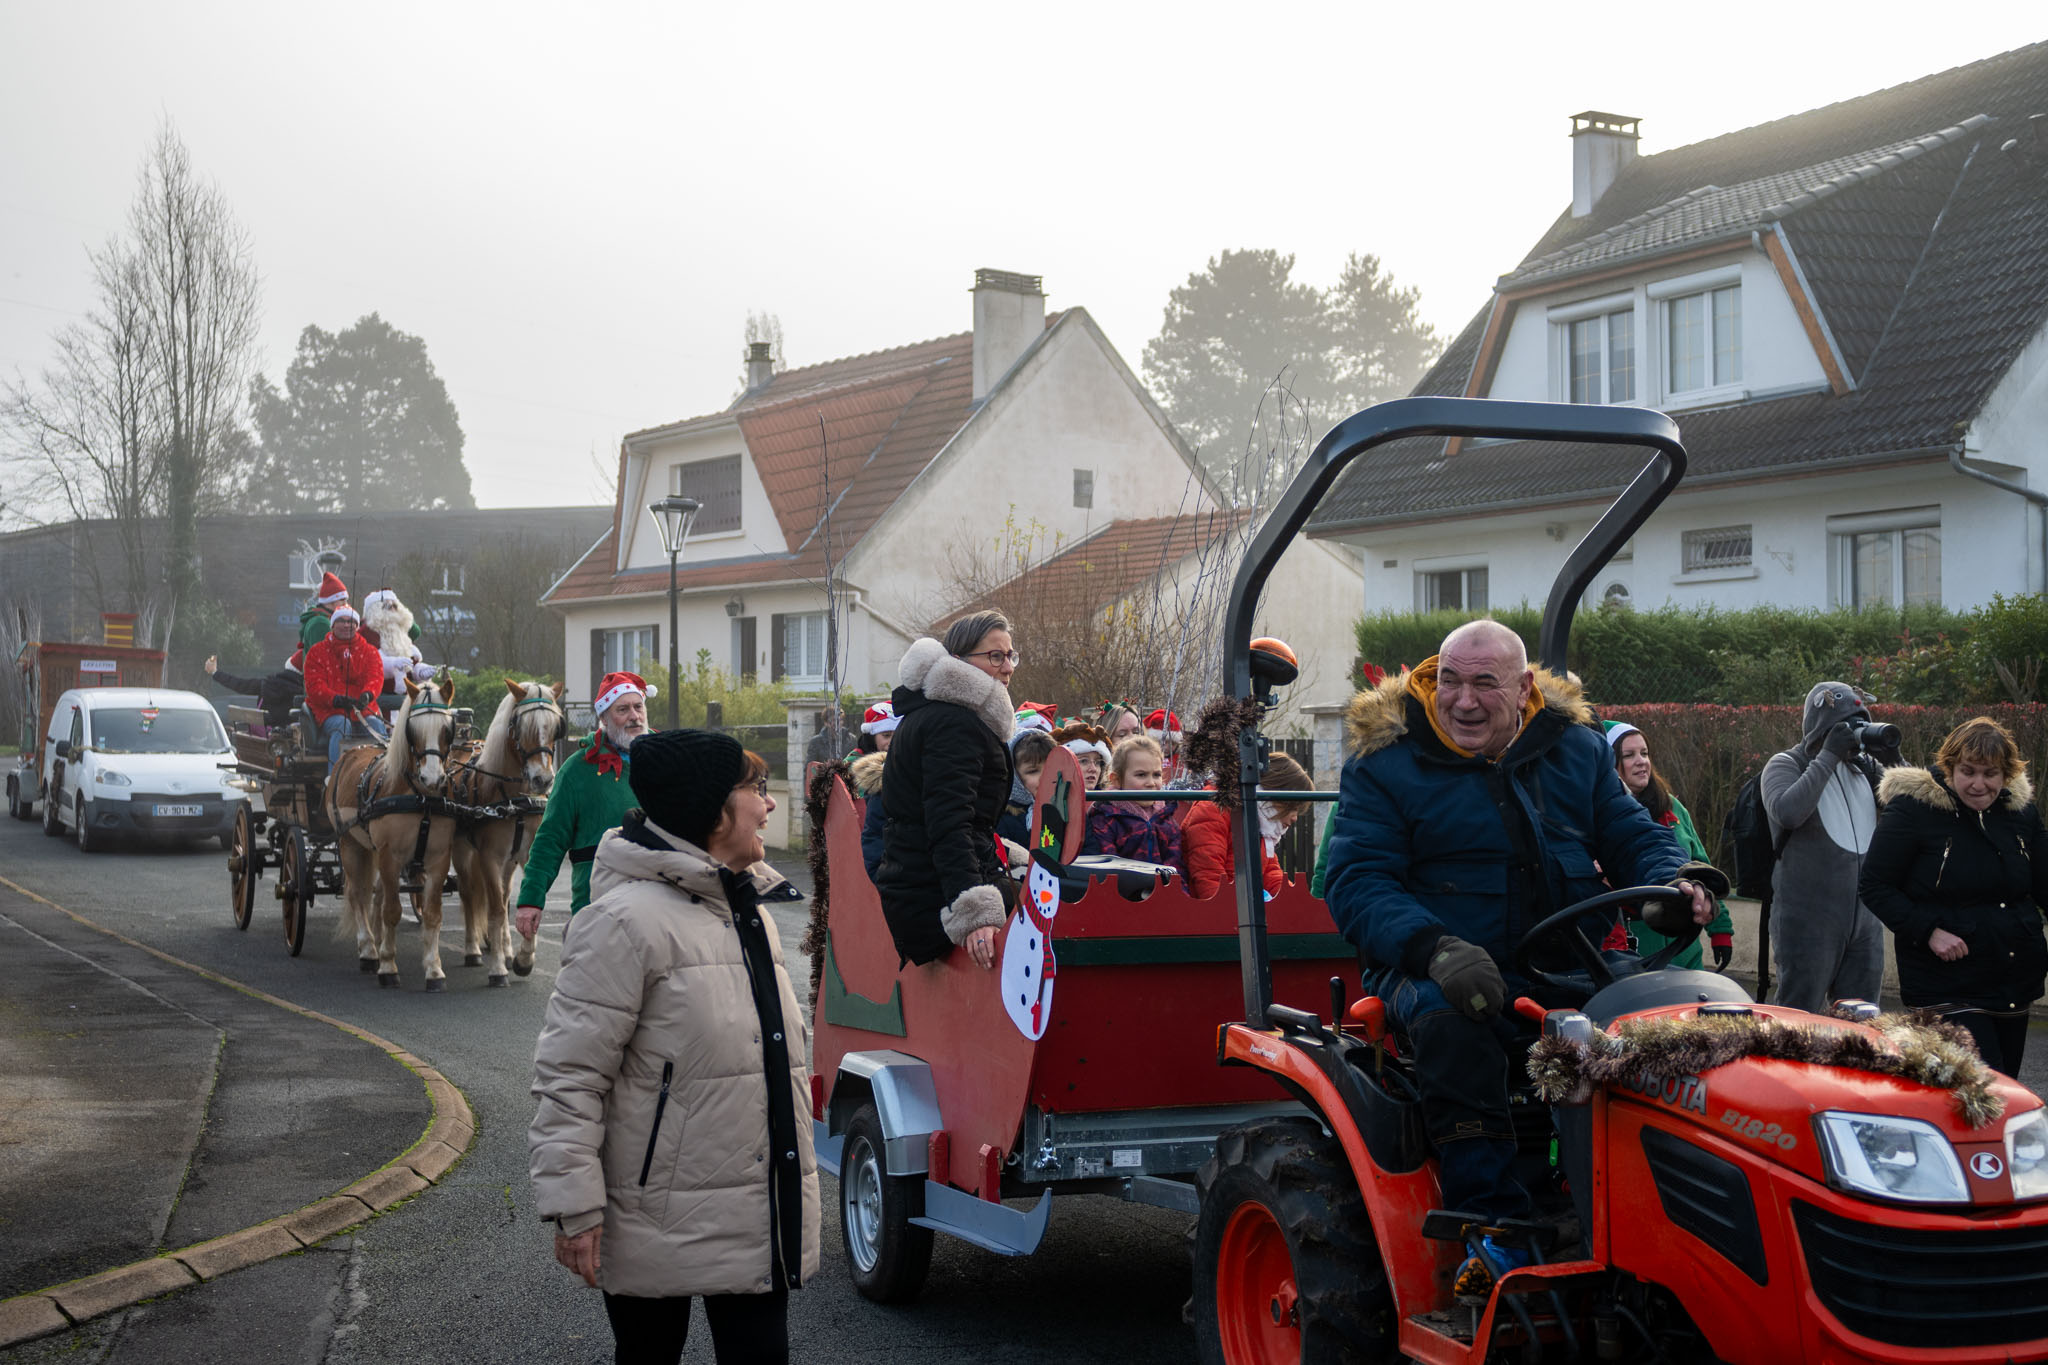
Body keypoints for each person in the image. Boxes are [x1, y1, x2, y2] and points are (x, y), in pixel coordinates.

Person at [1324, 619, 1710, 1293]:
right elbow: (1356, 880)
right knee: (1456, 1020)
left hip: (1563, 959)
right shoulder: (1386, 762)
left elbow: (1630, 835)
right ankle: (1494, 1224)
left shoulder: (1577, 751)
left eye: (1484, 684)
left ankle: (1665, 1204)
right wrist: (1434, 947)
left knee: (1679, 1008)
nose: (1463, 701)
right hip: (1430, 966)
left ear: (1526, 687)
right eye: (1449, 681)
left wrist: (1676, 880)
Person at [529, 729, 817, 1365]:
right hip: (652, 1216)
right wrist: (574, 1206)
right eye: (755, 790)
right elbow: (569, 1077)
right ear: (712, 812)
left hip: (752, 1210)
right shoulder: (621, 922)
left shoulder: (747, 905)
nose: (769, 805)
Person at [1860, 717, 2048, 1075]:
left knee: (2006, 1096)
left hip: (2014, 980)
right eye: (1968, 772)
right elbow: (1874, 885)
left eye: (1990, 774)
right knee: (1977, 1092)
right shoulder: (1913, 811)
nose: (1979, 784)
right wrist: (1928, 930)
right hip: (1946, 983)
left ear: (2006, 774)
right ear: (1949, 768)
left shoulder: (2021, 815)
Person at [875, 611, 1017, 969]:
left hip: (928, 884)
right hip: (931, 897)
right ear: (959, 661)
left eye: (1011, 655)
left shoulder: (947, 715)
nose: (1007, 667)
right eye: (995, 656)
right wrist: (974, 913)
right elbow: (949, 822)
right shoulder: (952, 723)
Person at [1760, 681, 1898, 1014]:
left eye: (1860, 722)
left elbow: (1915, 810)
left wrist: (1895, 761)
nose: (1854, 732)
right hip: (1806, 919)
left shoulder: (1863, 769)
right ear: (1821, 727)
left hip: (1864, 922)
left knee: (1863, 1024)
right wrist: (1827, 756)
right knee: (1799, 1020)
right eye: (1846, 724)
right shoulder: (1786, 763)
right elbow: (1788, 812)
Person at [514, 672, 651, 939]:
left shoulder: (669, 759)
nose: (634, 716)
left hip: (660, 904)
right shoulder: (576, 770)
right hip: (598, 908)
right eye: (622, 709)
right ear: (604, 718)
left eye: (638, 706)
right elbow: (550, 839)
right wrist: (531, 899)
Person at [1605, 722, 1734, 971]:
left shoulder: (1672, 807)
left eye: (1644, 753)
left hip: (1685, 944)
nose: (1641, 761)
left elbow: (1702, 867)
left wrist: (1720, 930)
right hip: (1633, 953)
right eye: (1628, 755)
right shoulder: (1602, 816)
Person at [1181, 752, 1311, 899]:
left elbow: (1271, 874)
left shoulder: (1261, 825)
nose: (1294, 818)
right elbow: (1208, 873)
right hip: (1222, 910)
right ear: (1272, 793)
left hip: (1239, 907)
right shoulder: (1215, 808)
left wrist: (1291, 901)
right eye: (1291, 806)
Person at [1082, 735, 1184, 870]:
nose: (1151, 783)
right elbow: (1108, 870)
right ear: (1116, 780)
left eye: (1156, 775)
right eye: (1141, 775)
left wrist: (1175, 890)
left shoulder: (1166, 819)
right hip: (1124, 888)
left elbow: (1177, 868)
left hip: (1162, 889)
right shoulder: (1106, 818)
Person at [303, 607, 389, 766]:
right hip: (330, 710)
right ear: (332, 625)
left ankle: (382, 773)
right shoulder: (317, 652)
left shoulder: (370, 652)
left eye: (351, 621)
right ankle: (335, 779)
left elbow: (375, 678)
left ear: (357, 626)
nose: (346, 625)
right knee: (342, 724)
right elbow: (314, 686)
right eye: (341, 621)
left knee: (376, 725)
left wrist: (367, 695)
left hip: (363, 709)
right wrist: (336, 699)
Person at [852, 702, 901, 883]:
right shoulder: (862, 766)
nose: (892, 741)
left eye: (897, 734)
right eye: (886, 735)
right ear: (873, 738)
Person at [204, 652, 305, 731]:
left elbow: (239, 684)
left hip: (263, 739)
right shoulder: (303, 693)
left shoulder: (266, 684)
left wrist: (215, 672)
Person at [996, 726, 1057, 848]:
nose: (1044, 777)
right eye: (1033, 771)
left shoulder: (1069, 811)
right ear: (1014, 777)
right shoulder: (1002, 820)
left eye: (1051, 768)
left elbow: (1089, 853)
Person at [299, 571, 351, 650]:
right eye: (342, 599)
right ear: (330, 600)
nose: (345, 604)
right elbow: (323, 656)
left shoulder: (323, 619)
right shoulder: (321, 623)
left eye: (346, 600)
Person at [1052, 722, 1111, 790]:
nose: (1093, 769)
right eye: (1084, 761)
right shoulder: (1047, 799)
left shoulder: (1110, 799)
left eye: (1098, 762)